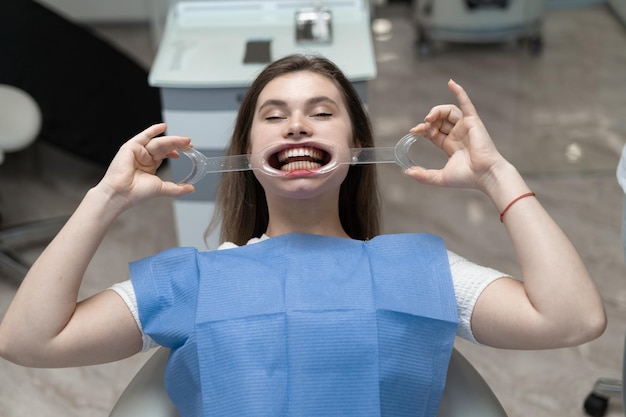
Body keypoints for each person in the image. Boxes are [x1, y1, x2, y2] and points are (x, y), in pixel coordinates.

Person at [0, 54, 606, 416]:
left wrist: (497, 177)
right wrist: (104, 199)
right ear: (247, 153)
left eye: (321, 112)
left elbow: (572, 320)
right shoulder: (194, 279)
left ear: (355, 147)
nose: (295, 124)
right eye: (273, 115)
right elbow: (30, 341)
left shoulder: (422, 270)